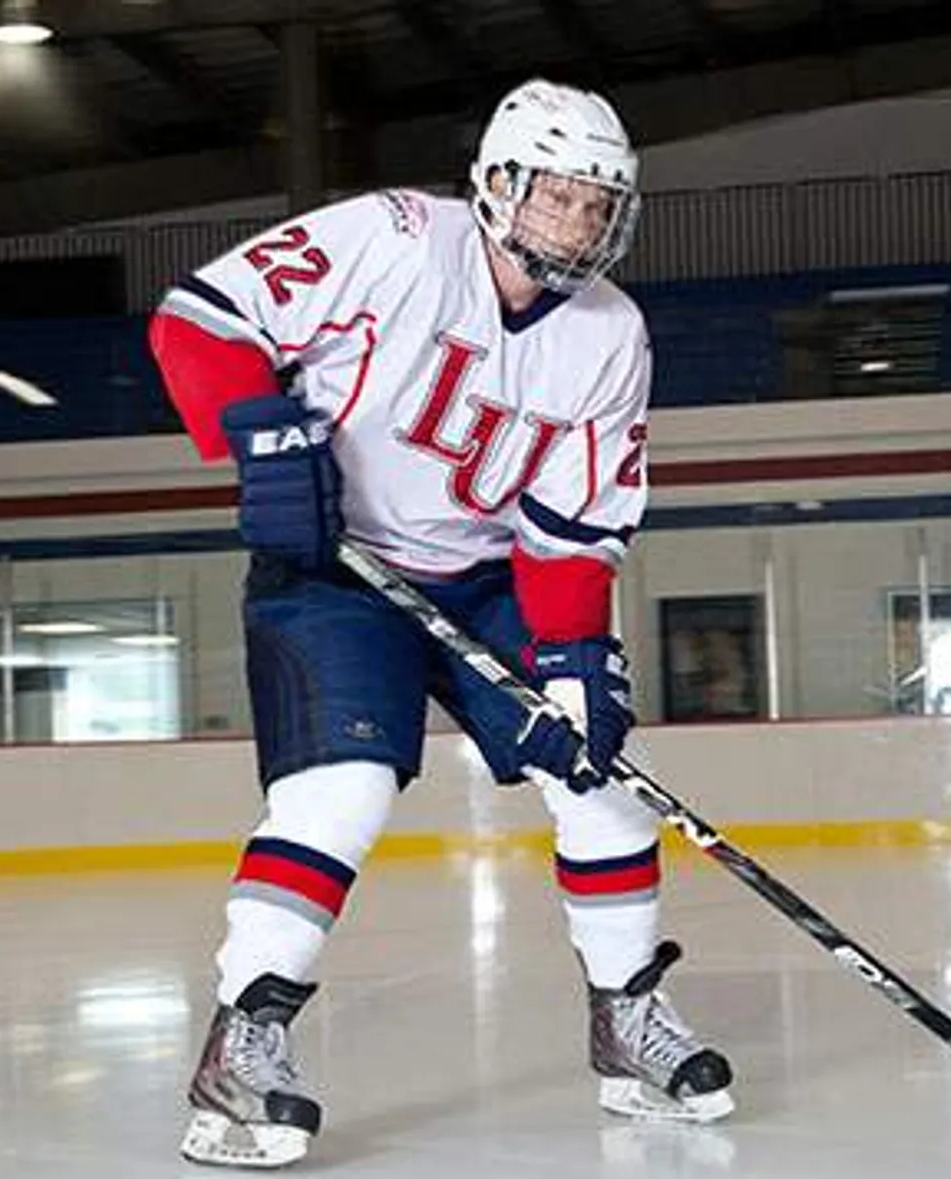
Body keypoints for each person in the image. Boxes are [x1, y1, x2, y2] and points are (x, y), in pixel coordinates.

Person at [148, 78, 734, 1168]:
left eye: (596, 204)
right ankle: (245, 1038)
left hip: (482, 579)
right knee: (343, 791)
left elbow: (571, 522)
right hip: (332, 571)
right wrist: (263, 437)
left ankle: (627, 1022)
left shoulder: (611, 334)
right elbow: (200, 322)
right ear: (497, 183)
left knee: (602, 781)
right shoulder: (390, 239)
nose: (576, 223)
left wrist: (573, 658)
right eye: (556, 196)